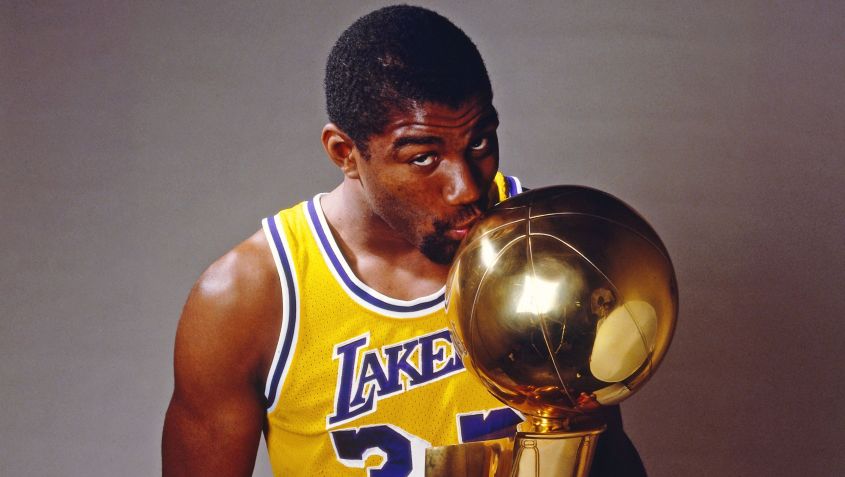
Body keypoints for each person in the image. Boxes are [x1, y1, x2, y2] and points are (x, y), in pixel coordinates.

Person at [162, 5, 646, 476]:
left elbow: (604, 455)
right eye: (423, 157)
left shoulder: (547, 244)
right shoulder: (251, 298)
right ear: (345, 154)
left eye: (478, 142)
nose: (467, 188)